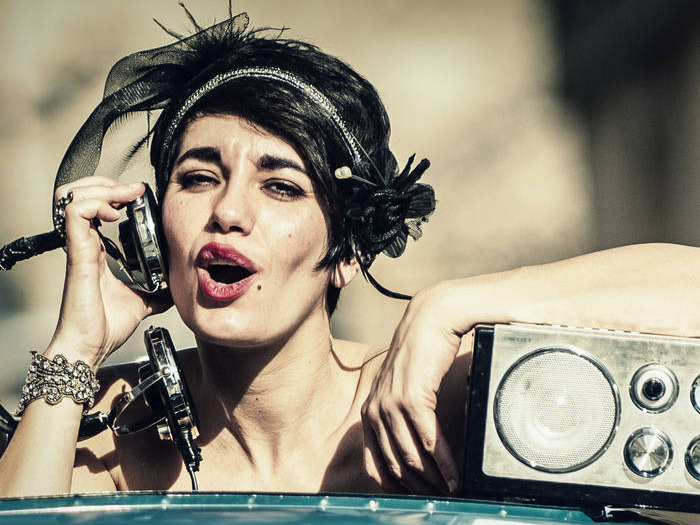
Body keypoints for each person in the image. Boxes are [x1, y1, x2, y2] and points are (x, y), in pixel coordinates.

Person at [2, 7, 700, 499]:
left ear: (347, 250)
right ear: (153, 228)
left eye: (281, 186)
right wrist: (75, 346)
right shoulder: (108, 425)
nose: (228, 212)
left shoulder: (430, 402)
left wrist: (449, 304)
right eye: (198, 177)